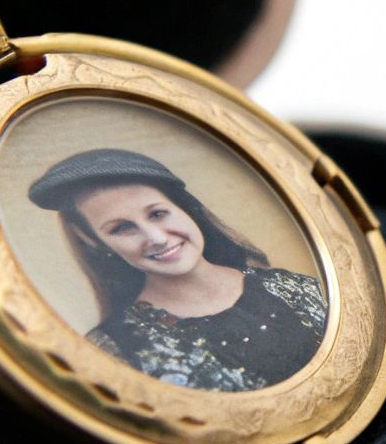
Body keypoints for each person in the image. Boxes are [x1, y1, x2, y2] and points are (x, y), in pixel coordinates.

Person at [27, 148, 326, 392]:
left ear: (186, 209)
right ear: (94, 241)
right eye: (121, 228)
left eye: (158, 213)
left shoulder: (296, 287)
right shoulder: (114, 352)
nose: (156, 238)